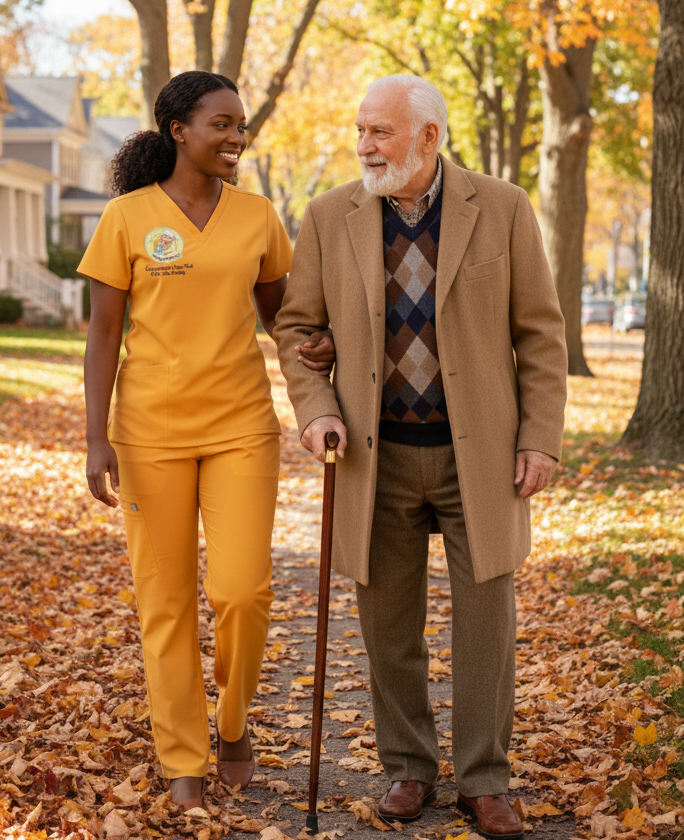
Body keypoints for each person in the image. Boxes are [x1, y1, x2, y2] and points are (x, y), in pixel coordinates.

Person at [274, 74, 568, 840]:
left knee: (486, 625)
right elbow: (295, 332)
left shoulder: (501, 207)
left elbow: (540, 335)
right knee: (387, 626)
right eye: (361, 129)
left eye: (381, 132)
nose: (364, 145)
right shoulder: (328, 215)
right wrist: (318, 414)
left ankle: (485, 778)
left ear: (429, 138)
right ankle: (408, 768)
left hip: (483, 455)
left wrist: (540, 436)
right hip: (378, 456)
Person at [79, 70, 334, 812]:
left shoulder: (257, 217)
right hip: (150, 433)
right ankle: (183, 758)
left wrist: (315, 348)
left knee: (241, 593)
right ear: (178, 130)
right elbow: (102, 334)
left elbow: (285, 317)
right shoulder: (127, 218)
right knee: (164, 603)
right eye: (221, 123)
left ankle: (231, 722)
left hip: (240, 428)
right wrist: (96, 440)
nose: (236, 137)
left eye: (241, 125)